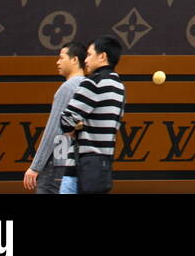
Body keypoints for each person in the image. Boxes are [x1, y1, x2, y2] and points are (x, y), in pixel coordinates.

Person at [58, 35, 126, 194]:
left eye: (89, 55)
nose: (86, 60)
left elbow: (65, 121)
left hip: (79, 167)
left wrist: (77, 126)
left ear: (102, 56)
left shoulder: (92, 83)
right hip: (103, 165)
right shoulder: (119, 86)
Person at [23, 42, 86, 193]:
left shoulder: (68, 88)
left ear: (74, 60)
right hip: (79, 161)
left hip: (58, 162)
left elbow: (54, 129)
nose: (57, 62)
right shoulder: (88, 87)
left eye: (61, 57)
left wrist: (35, 167)